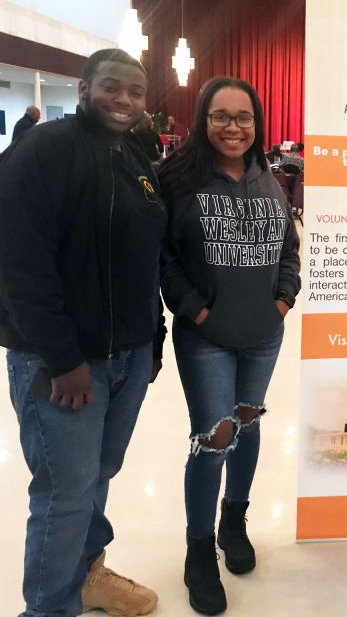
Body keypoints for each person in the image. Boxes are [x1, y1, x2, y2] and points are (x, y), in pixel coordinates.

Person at [0, 49, 166, 617]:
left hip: (128, 354)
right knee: (64, 495)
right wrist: (62, 356)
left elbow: (145, 260)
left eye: (135, 91)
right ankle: (49, 608)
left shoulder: (137, 159)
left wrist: (154, 339)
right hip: (63, 363)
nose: (123, 100)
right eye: (111, 87)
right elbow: (21, 262)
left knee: (98, 475)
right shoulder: (46, 149)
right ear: (84, 87)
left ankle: (87, 576)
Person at [158, 77, 301, 615]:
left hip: (264, 336)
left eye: (243, 117)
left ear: (257, 123)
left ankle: (233, 522)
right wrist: (197, 311)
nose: (233, 126)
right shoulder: (178, 178)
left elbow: (289, 248)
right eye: (220, 116)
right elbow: (165, 259)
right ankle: (198, 552)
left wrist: (283, 300)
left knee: (248, 424)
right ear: (203, 119)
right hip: (206, 338)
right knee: (215, 437)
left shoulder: (269, 177)